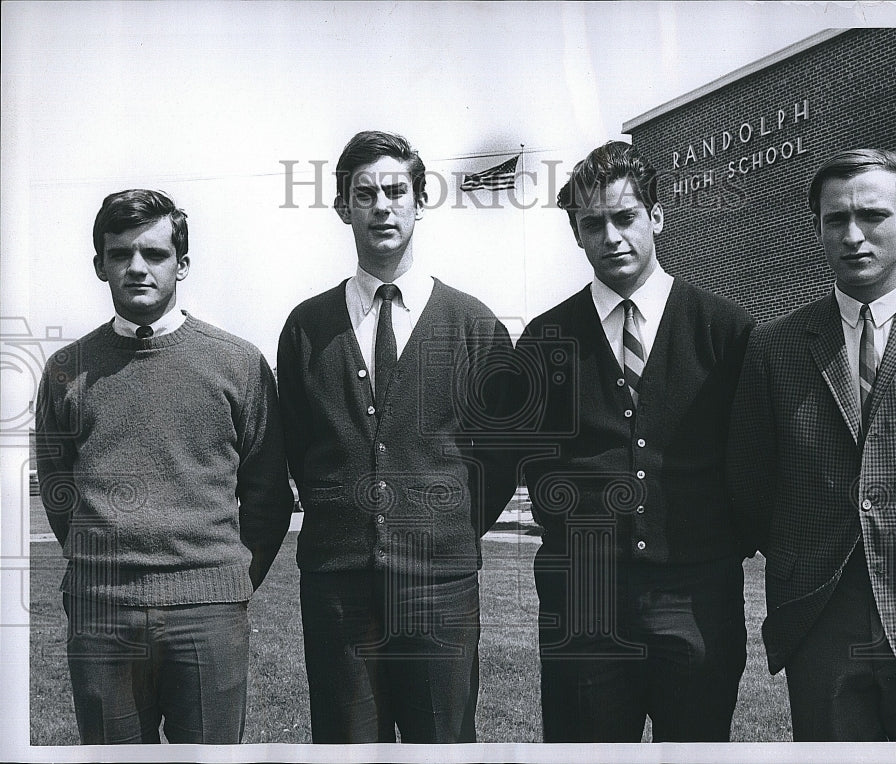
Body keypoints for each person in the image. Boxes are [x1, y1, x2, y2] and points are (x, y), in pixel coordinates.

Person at [727, 148, 896, 741]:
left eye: (871, 215)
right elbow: (751, 484)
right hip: (820, 621)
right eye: (834, 219)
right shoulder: (775, 347)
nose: (853, 235)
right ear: (817, 228)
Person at [509, 141, 754, 742]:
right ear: (576, 233)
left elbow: (753, 460)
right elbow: (531, 464)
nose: (612, 237)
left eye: (626, 217)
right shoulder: (546, 339)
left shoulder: (726, 330)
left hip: (697, 597)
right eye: (593, 224)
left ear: (657, 216)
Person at [277, 130, 515, 743]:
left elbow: (499, 458)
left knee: (442, 746)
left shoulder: (472, 325)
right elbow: (302, 449)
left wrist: (442, 527)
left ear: (420, 200)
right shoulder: (307, 328)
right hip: (339, 590)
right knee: (347, 748)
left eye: (395, 190)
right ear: (342, 208)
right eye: (365, 194)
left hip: (440, 589)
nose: (382, 206)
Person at [34, 189, 294, 744]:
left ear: (183, 263)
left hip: (209, 614)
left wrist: (221, 582)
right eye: (121, 253)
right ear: (99, 264)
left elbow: (269, 497)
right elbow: (57, 490)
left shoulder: (237, 362)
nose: (137, 268)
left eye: (154, 254)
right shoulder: (65, 369)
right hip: (102, 614)